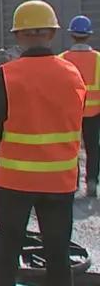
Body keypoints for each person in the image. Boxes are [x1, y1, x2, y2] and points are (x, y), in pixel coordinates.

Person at [0, 0, 86, 286]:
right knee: (58, 254)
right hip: (60, 181)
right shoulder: (72, 75)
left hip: (15, 181)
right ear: (52, 33)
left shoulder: (7, 75)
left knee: (8, 250)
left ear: (18, 35)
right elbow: (76, 117)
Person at [61, 14, 100, 197]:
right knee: (93, 148)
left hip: (71, 114)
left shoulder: (62, 59)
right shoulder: (99, 60)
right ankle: (92, 184)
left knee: (72, 148)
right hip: (94, 113)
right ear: (89, 35)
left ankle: (73, 184)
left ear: (71, 35)